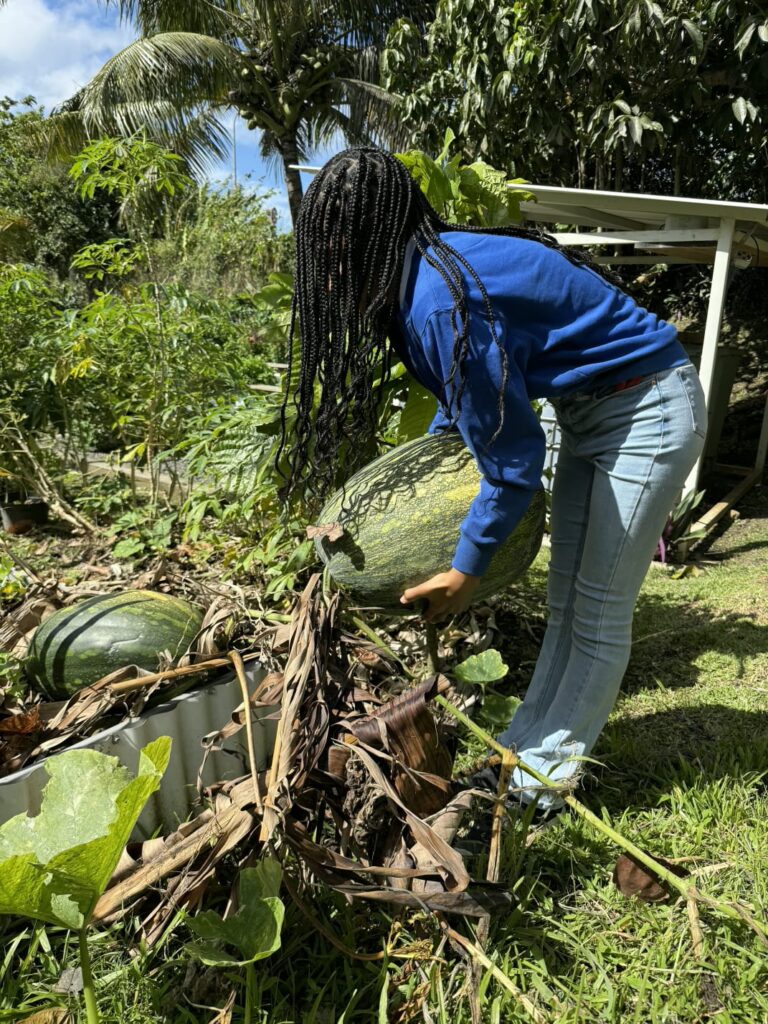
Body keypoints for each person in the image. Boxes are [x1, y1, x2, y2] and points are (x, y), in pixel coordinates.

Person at [279, 147, 707, 810]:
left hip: (646, 410)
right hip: (593, 411)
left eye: (336, 252)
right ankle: (522, 750)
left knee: (597, 609)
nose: (330, 273)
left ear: (368, 237)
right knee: (568, 603)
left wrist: (465, 569)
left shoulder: (437, 299)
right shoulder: (427, 274)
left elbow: (512, 463)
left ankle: (541, 785)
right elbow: (465, 404)